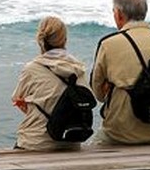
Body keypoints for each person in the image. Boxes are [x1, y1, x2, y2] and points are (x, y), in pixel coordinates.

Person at [91, 0, 150, 145]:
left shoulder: (109, 44)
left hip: (122, 134)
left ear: (119, 14)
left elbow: (98, 94)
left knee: (91, 153)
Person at [12, 16, 91, 151]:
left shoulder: (32, 69)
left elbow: (17, 99)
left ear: (40, 41)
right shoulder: (79, 70)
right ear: (65, 40)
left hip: (36, 143)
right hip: (71, 143)